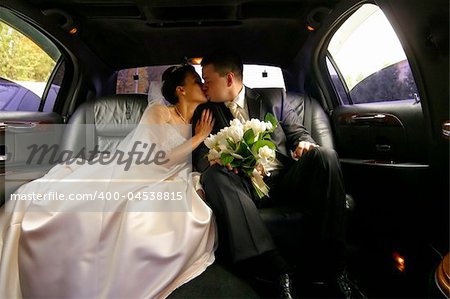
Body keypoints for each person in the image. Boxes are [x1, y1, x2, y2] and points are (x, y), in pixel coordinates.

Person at [0, 65, 217, 299]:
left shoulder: (202, 119)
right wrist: (198, 138)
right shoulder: (158, 113)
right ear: (181, 90)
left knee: (181, 212)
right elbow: (158, 158)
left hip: (172, 177)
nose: (203, 84)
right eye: (196, 80)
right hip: (138, 169)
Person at [192, 49, 366, 299]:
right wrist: (219, 160)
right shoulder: (205, 112)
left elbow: (298, 132)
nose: (204, 86)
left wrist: (305, 143)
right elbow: (201, 158)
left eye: (207, 80)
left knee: (325, 155)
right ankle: (275, 267)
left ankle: (335, 267)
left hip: (285, 180)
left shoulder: (275, 98)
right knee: (213, 175)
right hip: (242, 190)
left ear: (229, 79)